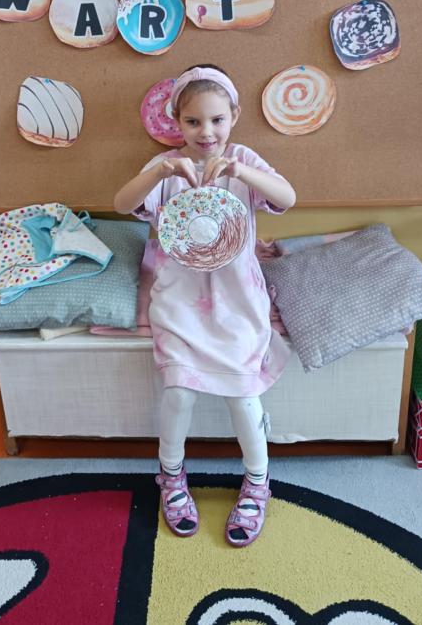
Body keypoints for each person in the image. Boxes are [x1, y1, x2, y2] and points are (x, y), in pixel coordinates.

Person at [114, 64, 296, 547]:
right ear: (177, 121)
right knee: (179, 392)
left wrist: (240, 171)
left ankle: (257, 481)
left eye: (217, 120)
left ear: (234, 115)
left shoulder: (241, 160)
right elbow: (122, 203)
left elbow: (287, 196)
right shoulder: (167, 167)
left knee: (244, 397)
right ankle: (171, 476)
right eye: (193, 121)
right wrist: (158, 171)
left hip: (237, 301)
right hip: (180, 300)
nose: (206, 132)